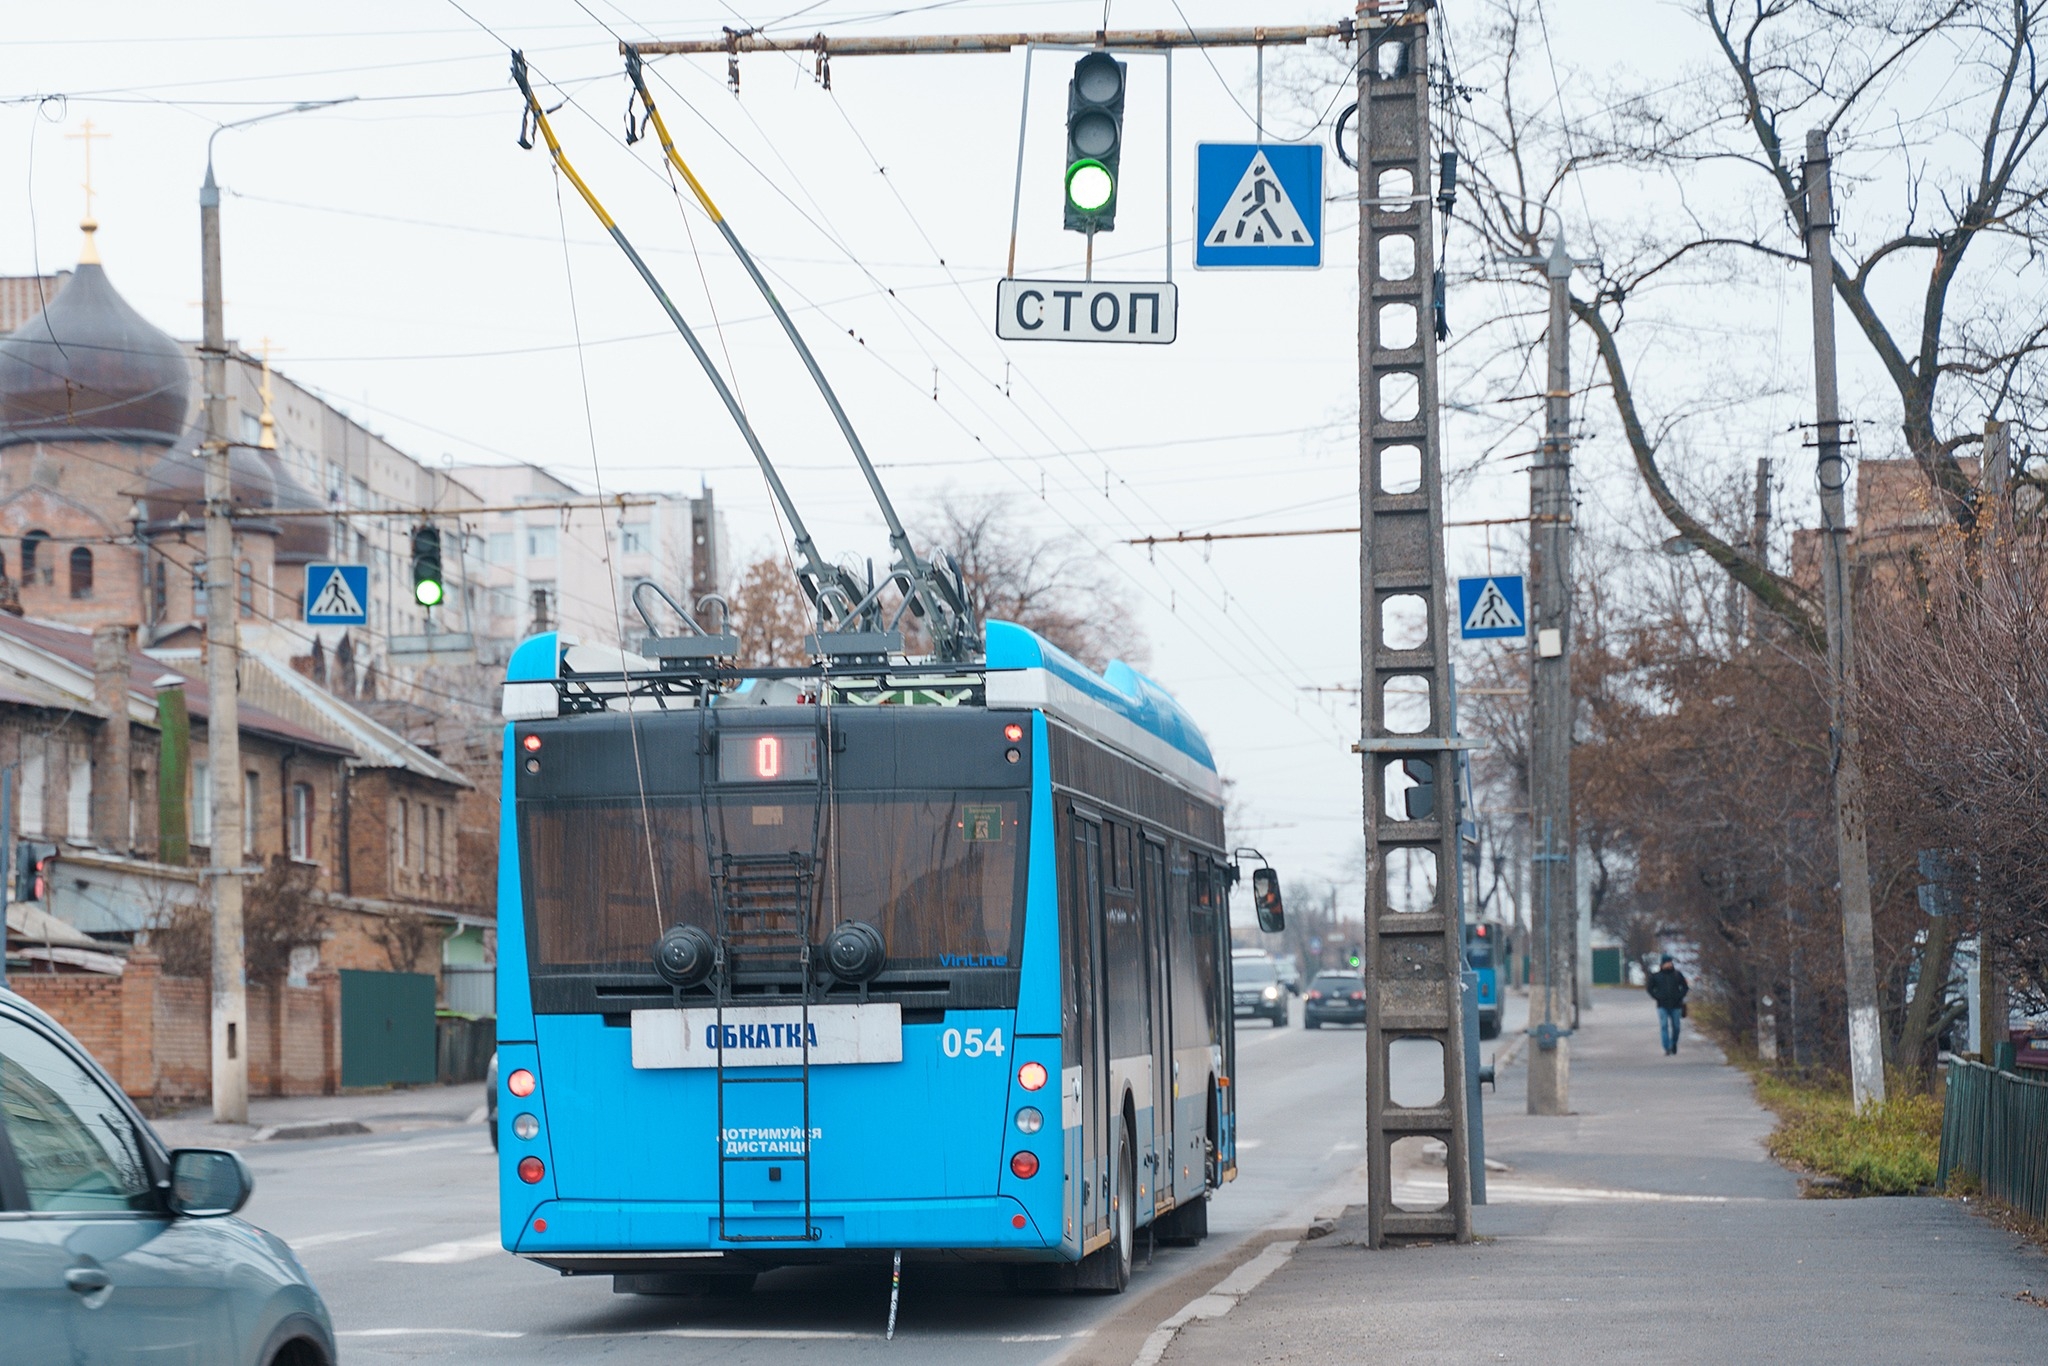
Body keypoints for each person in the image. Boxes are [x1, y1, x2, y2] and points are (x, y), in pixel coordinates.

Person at [1646, 955, 1689, 1055]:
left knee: (1676, 1027)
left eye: (1670, 962)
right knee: (1664, 1026)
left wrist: (1680, 996)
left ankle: (1673, 1043)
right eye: (1667, 962)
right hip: (1662, 1005)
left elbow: (1685, 987)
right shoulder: (1656, 976)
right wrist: (1657, 996)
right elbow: (1649, 988)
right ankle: (1667, 1047)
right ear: (1662, 964)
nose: (1669, 964)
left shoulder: (1677, 975)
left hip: (1676, 1005)